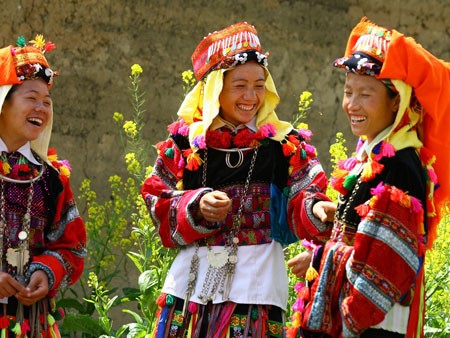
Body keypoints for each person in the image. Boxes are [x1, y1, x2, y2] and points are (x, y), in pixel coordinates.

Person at [141, 22, 334, 337]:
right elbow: (155, 199)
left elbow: (306, 193)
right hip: (191, 290)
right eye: (239, 85)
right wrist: (196, 205)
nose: (251, 96)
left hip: (256, 290)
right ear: (216, 88)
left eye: (259, 85)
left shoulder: (284, 144)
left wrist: (317, 210)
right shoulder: (185, 142)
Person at [288, 17, 450, 338]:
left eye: (365, 94)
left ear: (396, 102)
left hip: (371, 327)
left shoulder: (401, 165)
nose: (352, 105)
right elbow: (361, 240)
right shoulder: (373, 157)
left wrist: (322, 259)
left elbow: (382, 268)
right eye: (348, 92)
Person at [0, 35, 86, 337]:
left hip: (31, 322)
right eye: (31, 98)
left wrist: (46, 272)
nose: (41, 108)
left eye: (46, 102)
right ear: (3, 102)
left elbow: (71, 246)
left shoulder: (51, 179)